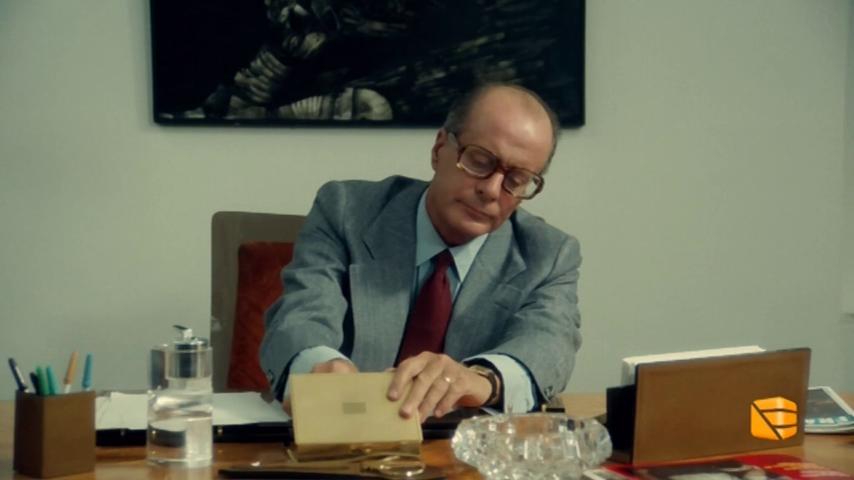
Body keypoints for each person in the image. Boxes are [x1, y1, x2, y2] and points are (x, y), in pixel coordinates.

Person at [259, 83, 582, 421]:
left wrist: (481, 379)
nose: (490, 190)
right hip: (343, 432)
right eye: (479, 161)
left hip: (464, 448)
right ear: (439, 148)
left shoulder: (549, 254)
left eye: (516, 180)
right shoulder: (346, 211)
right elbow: (302, 312)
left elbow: (549, 344)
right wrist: (319, 366)